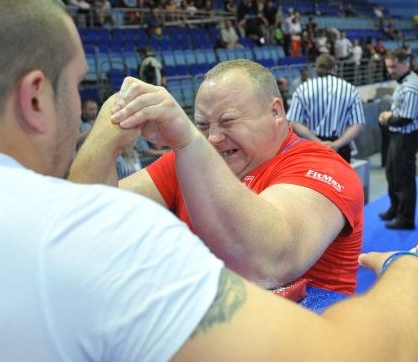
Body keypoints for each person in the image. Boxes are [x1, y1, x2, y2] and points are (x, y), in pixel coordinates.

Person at [0, 0, 418, 360]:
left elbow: (274, 250)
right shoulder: (88, 239)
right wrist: (417, 278)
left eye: (226, 123)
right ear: (33, 98)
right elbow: (358, 353)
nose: (84, 110)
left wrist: (180, 141)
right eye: (78, 90)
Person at [95, 59, 364, 294]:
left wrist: (189, 140)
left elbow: (270, 262)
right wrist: (107, 137)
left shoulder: (323, 166)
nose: (213, 137)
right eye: (201, 125)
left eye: (228, 121)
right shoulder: (189, 160)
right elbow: (92, 216)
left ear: (276, 112)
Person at [378, 48, 418, 229]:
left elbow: (407, 118)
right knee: (391, 173)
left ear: (405, 63)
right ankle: (395, 208)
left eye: (393, 67)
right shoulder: (403, 81)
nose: (390, 71)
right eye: (388, 67)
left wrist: (387, 118)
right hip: (398, 134)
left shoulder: (411, 85)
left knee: (403, 178)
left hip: (407, 136)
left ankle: (406, 218)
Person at [287, 54, 365, 163]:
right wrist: (335, 145)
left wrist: (319, 143)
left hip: (313, 146)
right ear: (335, 68)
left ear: (316, 69)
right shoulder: (350, 89)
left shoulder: (303, 89)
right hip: (341, 147)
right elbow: (358, 125)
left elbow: (294, 124)